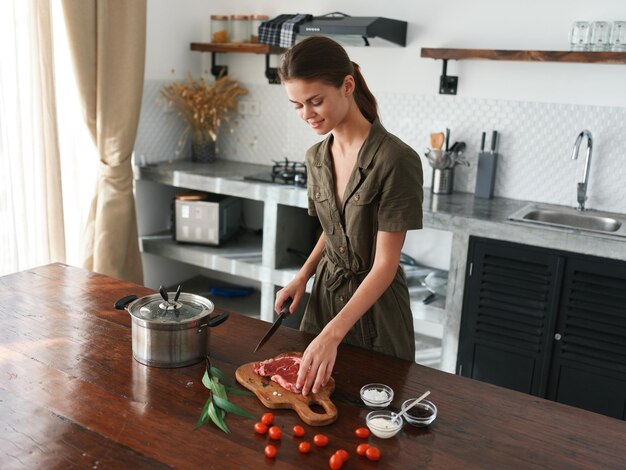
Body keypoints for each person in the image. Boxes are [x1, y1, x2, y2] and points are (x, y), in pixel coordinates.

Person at [274, 36, 423, 396]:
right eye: (297, 105)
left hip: (375, 312)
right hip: (324, 299)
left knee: (374, 416)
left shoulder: (395, 160)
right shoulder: (316, 157)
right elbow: (333, 229)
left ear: (347, 86)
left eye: (315, 101)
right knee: (311, 403)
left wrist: (333, 333)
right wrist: (303, 277)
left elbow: (386, 264)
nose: (306, 115)